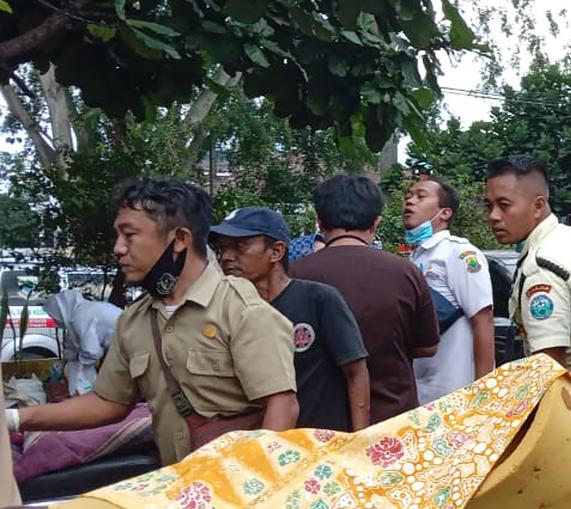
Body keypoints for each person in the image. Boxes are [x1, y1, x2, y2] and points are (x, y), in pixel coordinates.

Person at [5, 179, 298, 465]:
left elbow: (282, 406)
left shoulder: (241, 311)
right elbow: (109, 403)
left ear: (180, 239)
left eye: (129, 235)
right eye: (118, 236)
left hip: (236, 494)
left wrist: (252, 484)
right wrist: (16, 417)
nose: (118, 248)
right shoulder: (134, 320)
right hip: (177, 493)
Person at [293, 174, 439, 423]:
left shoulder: (295, 275)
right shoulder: (405, 272)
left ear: (319, 221)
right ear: (376, 222)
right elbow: (428, 346)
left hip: (317, 426)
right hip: (393, 421)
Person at [211, 206, 370, 432]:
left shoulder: (319, 299)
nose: (227, 257)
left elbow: (356, 372)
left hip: (320, 444)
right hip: (256, 447)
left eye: (240, 246)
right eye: (222, 249)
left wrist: (359, 440)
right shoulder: (226, 311)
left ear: (276, 251)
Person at [484, 155, 571, 374]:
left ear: (538, 206)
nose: (493, 216)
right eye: (489, 206)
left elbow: (549, 368)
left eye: (504, 205)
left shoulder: (541, 267)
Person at [403, 177, 495, 403]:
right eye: (408, 196)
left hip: (456, 392)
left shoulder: (458, 254)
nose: (409, 202)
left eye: (420, 196)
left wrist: (483, 391)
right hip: (420, 391)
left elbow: (483, 320)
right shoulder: (414, 258)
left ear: (444, 213)